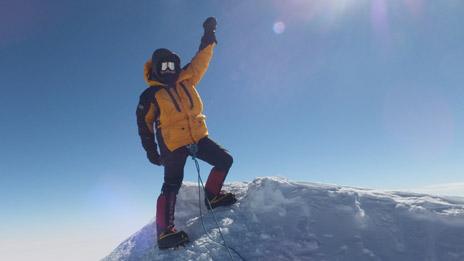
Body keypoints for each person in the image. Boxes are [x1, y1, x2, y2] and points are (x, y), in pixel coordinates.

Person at [136, 17, 236, 249]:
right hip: (173, 144)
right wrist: (152, 151)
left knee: (224, 160)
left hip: (198, 136)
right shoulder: (150, 96)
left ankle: (212, 197)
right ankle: (164, 234)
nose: (169, 70)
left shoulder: (187, 78)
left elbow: (201, 60)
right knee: (172, 184)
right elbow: (144, 125)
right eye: (164, 66)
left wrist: (209, 34)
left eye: (172, 65)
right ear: (156, 68)